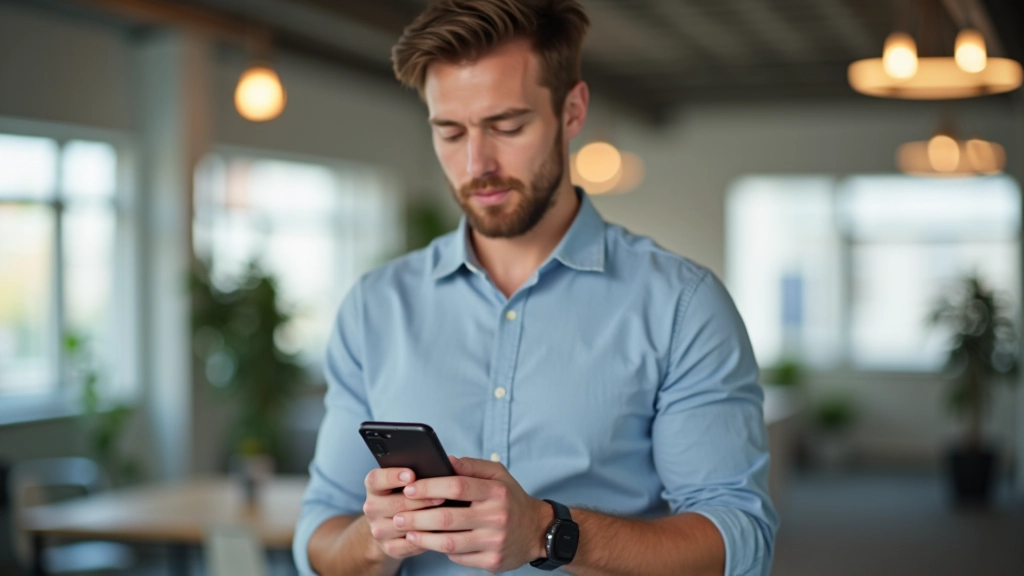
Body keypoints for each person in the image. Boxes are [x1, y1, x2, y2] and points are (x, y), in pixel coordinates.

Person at [293, 1, 777, 574]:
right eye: (449, 132)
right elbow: (318, 539)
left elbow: (740, 542)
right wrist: (376, 538)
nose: (477, 163)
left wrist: (549, 530)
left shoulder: (682, 304)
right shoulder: (375, 307)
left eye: (507, 126)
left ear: (572, 111)